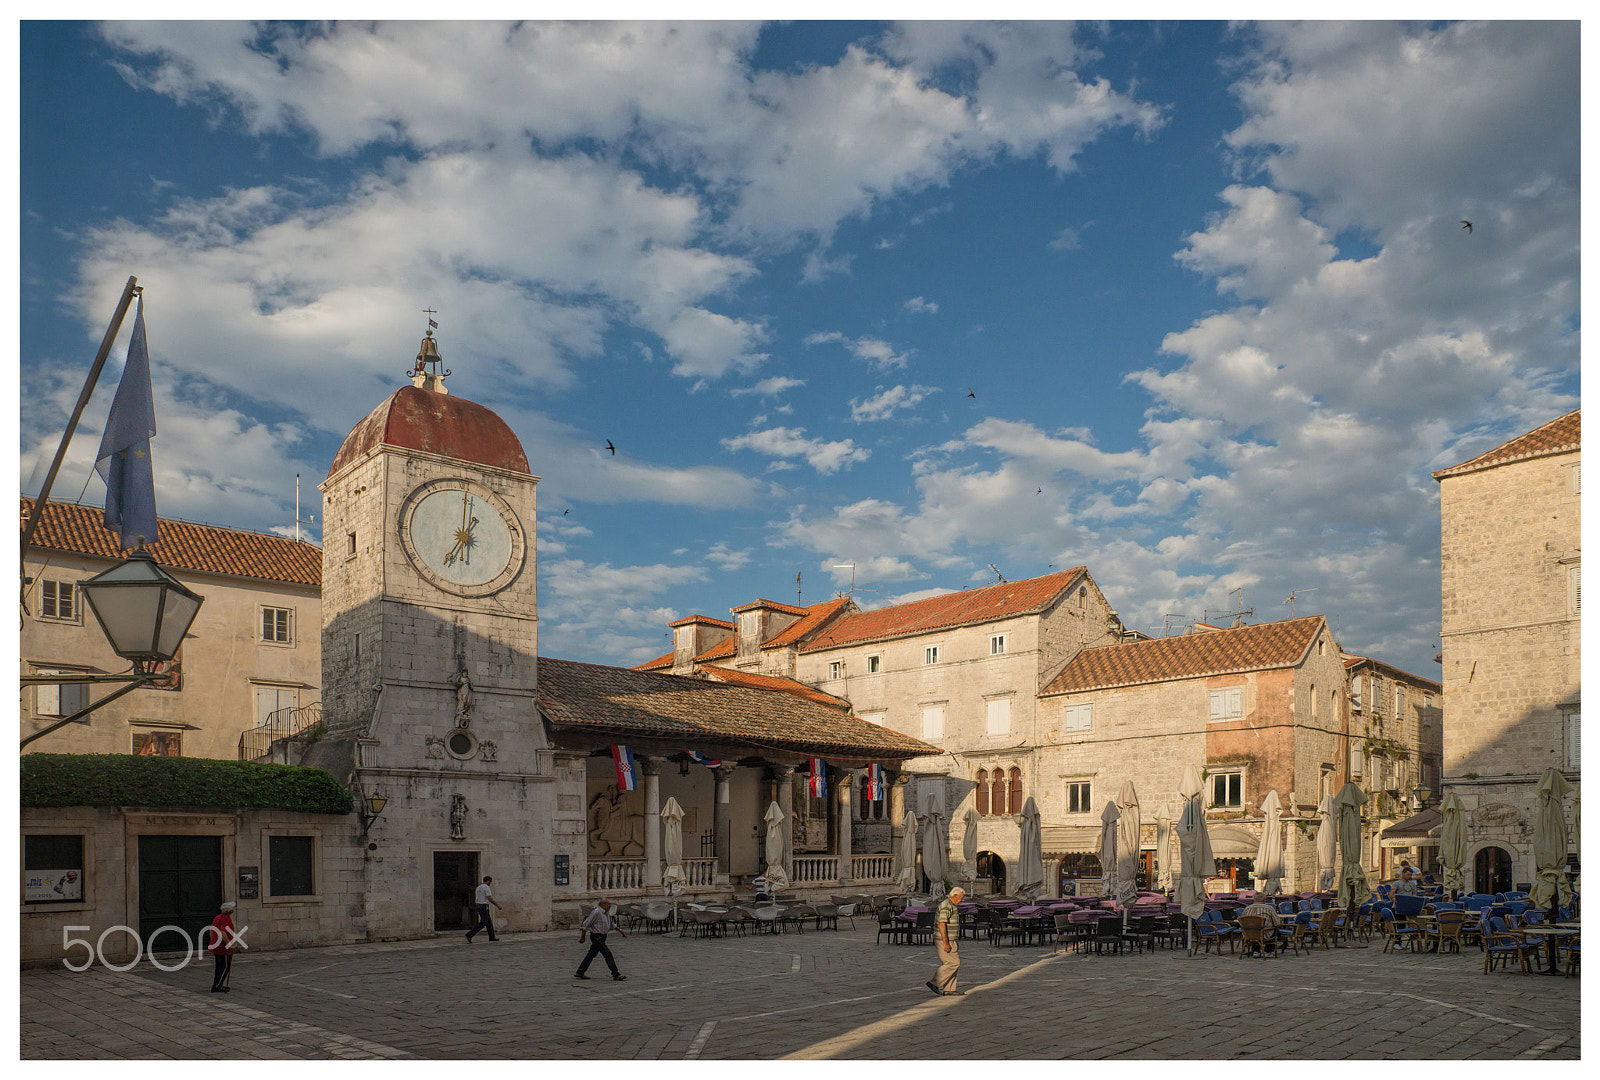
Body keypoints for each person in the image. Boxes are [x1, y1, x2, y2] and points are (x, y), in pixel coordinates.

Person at [575, 898, 627, 980]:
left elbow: (611, 924)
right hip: (596, 937)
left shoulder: (606, 913)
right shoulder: (596, 912)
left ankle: (580, 971)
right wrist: (582, 937)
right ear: (603, 905)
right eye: (608, 904)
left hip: (602, 937)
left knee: (591, 955)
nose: (610, 906)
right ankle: (615, 973)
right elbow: (586, 924)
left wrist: (620, 931)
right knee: (607, 954)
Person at [926, 886, 965, 996]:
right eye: (961, 898)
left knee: (952, 963)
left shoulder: (952, 905)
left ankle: (950, 989)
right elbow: (941, 924)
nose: (962, 900)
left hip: (952, 939)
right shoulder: (946, 906)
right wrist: (945, 942)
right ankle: (935, 982)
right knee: (953, 963)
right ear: (955, 896)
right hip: (944, 939)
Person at [208, 900, 240, 992]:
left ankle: (216, 984)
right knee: (225, 967)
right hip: (223, 948)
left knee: (219, 966)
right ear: (230, 911)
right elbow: (223, 932)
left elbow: (211, 930)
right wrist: (229, 944)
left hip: (216, 945)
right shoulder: (226, 919)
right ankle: (217, 985)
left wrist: (213, 940)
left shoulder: (218, 917)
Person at [466, 875, 502, 942]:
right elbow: (489, 897)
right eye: (490, 882)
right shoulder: (486, 888)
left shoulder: (478, 887)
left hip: (479, 905)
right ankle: (469, 934)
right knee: (483, 922)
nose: (490, 883)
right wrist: (497, 905)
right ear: (488, 881)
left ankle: (492, 937)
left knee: (489, 923)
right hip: (484, 906)